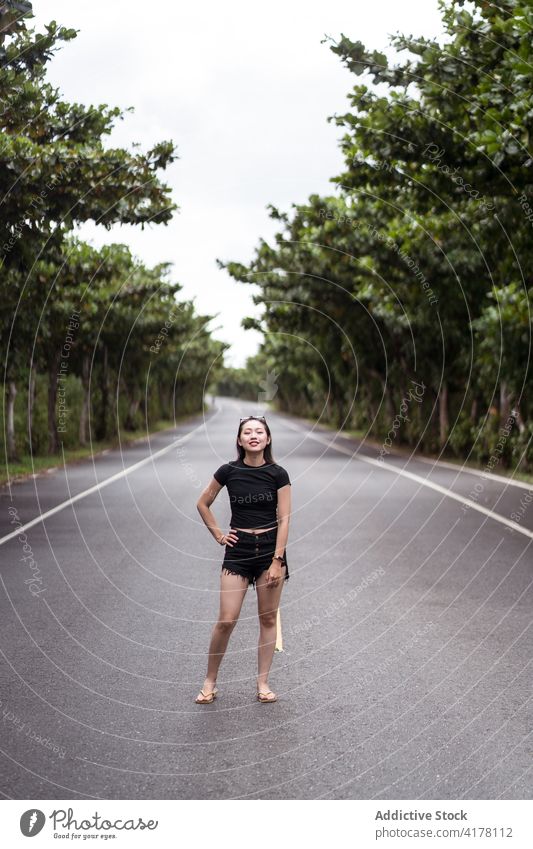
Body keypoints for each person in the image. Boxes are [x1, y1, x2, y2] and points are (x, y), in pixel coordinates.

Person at [195, 415, 291, 704]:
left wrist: (277, 560)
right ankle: (209, 682)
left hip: (269, 551)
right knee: (226, 620)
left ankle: (263, 684)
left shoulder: (278, 474)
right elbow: (203, 503)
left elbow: (285, 520)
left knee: (267, 619)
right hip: (237, 551)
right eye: (247, 432)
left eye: (259, 431)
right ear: (239, 440)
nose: (253, 435)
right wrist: (219, 535)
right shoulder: (228, 471)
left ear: (267, 439)